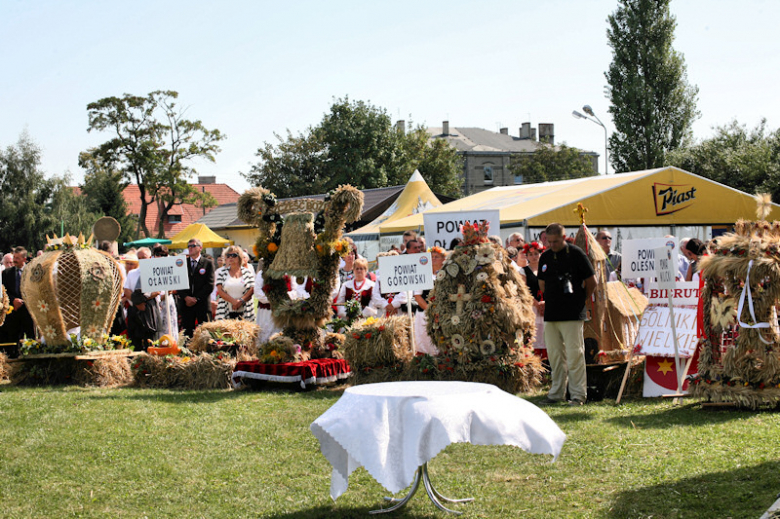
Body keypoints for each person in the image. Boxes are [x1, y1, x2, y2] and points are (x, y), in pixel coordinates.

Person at [537, 223, 596, 406]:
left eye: (556, 241)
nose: (552, 244)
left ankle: (578, 395)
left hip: (572, 313)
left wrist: (582, 300)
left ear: (563, 237)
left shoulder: (577, 254)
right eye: (549, 241)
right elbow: (541, 283)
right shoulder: (545, 256)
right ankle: (556, 394)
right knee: (554, 355)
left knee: (574, 354)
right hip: (552, 313)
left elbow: (592, 281)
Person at [177, 238, 215, 339]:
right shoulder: (182, 264)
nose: (190, 248)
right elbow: (178, 283)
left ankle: (205, 352)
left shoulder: (208, 263)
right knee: (187, 333)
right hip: (186, 304)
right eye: (189, 246)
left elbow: (209, 285)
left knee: (205, 331)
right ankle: (187, 352)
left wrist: (196, 298)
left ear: (200, 248)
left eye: (193, 246)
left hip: (202, 304)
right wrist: (186, 297)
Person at [0, 247, 35, 356]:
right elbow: (3, 291)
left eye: (17, 258)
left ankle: (31, 357)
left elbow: (34, 290)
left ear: (24, 259)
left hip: (28, 311)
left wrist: (23, 301)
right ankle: (13, 357)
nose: (14, 260)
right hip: (13, 311)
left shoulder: (31, 273)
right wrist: (13, 300)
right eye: (14, 257)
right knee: (13, 337)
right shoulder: (6, 273)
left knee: (30, 336)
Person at [411, 247, 446, 355]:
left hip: (444, 314)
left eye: (437, 257)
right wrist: (431, 310)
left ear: (443, 260)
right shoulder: (424, 274)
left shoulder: (447, 275)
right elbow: (417, 296)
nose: (434, 259)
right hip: (425, 314)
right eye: (432, 257)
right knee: (425, 341)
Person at [215, 245, 255, 321]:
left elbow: (251, 289)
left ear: (239, 257)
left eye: (233, 255)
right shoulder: (222, 272)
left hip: (245, 311)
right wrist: (233, 302)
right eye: (228, 255)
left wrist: (241, 301)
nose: (230, 257)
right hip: (225, 311)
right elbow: (220, 291)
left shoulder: (247, 272)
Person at [522, 241, 546, 355]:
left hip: (547, 305)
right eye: (530, 254)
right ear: (526, 256)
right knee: (534, 333)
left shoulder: (546, 269)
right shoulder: (523, 271)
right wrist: (537, 304)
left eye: (536, 253)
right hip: (532, 307)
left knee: (547, 333)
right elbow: (524, 290)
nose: (534, 257)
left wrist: (545, 303)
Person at [151, 244, 179, 341]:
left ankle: (172, 344)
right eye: (158, 254)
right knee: (159, 326)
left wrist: (168, 292)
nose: (160, 257)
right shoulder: (150, 266)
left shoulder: (171, 264)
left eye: (163, 255)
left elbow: (176, 284)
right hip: (154, 300)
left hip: (167, 299)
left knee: (170, 325)